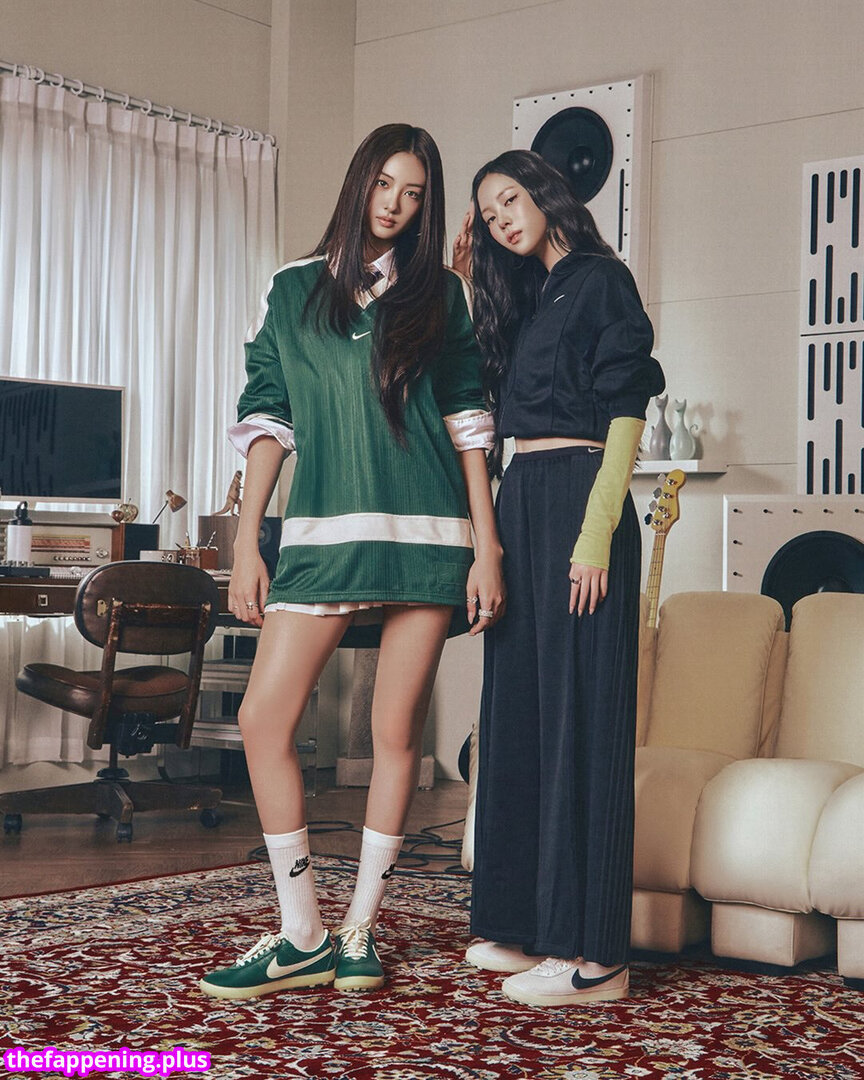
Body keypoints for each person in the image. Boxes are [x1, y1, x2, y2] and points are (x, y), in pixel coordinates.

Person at [199, 124, 504, 1000]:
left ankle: (361, 926)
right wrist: (248, 542)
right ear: (358, 181)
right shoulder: (293, 288)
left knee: (394, 732)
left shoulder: (443, 294)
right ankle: (301, 932)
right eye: (384, 185)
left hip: (430, 535)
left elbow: (469, 422)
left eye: (414, 193)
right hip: (321, 537)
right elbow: (269, 418)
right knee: (265, 720)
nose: (396, 205)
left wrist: (487, 546)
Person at [454, 149, 664, 1006]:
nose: (502, 218)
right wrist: (466, 278)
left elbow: (626, 413)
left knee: (583, 721)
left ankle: (596, 956)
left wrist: (596, 534)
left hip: (582, 499)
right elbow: (477, 394)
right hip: (522, 498)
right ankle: (521, 923)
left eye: (510, 199)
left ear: (545, 194)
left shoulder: (602, 280)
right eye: (488, 212)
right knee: (517, 718)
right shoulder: (526, 297)